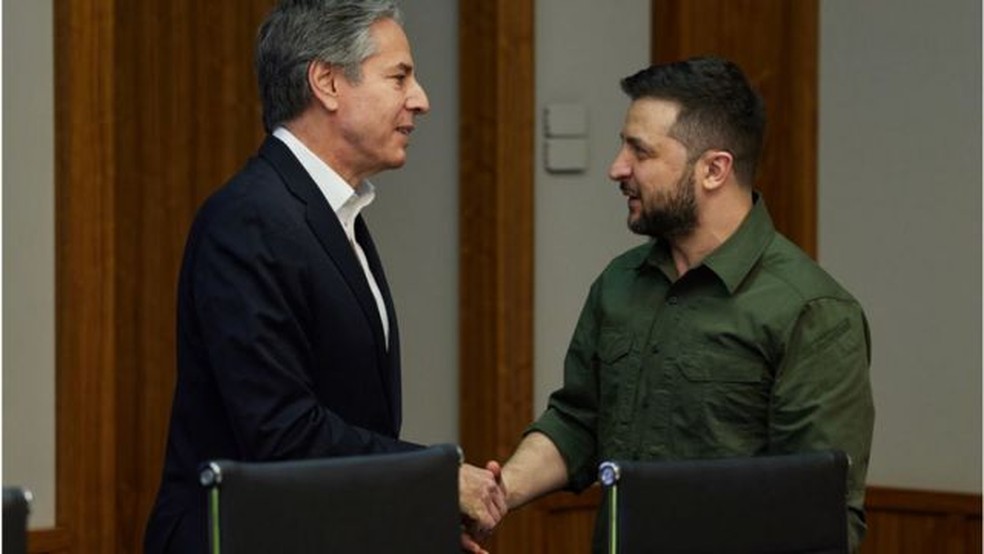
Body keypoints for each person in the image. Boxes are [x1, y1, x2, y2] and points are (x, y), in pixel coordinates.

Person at [143, 2, 504, 552]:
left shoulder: (331, 214)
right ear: (327, 82)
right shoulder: (250, 218)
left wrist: (408, 520)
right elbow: (282, 434)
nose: (421, 100)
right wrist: (434, 478)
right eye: (400, 77)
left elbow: (344, 423)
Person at [482, 56, 875, 551]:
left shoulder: (811, 311)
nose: (616, 168)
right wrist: (498, 492)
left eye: (639, 151)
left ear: (714, 169)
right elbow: (579, 421)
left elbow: (820, 514)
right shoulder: (619, 283)